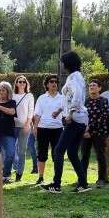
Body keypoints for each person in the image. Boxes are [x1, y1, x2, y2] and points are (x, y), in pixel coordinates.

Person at [42, 51, 91, 193]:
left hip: (75, 120)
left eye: (63, 62)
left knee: (58, 150)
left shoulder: (75, 78)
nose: (61, 64)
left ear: (68, 63)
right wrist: (59, 110)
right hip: (80, 120)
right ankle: (83, 184)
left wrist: (70, 113)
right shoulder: (75, 77)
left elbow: (77, 97)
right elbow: (68, 99)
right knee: (72, 153)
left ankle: (56, 185)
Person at [81, 79, 109, 187]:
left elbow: (103, 117)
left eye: (94, 85)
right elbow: (82, 117)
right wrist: (84, 130)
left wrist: (90, 131)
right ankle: (82, 179)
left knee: (100, 155)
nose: (91, 87)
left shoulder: (103, 101)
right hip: (85, 133)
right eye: (90, 86)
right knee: (84, 156)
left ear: (99, 88)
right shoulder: (86, 101)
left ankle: (101, 180)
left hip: (99, 133)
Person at [33, 74, 64, 185]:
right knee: (42, 154)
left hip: (58, 129)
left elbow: (66, 114)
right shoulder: (42, 98)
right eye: (51, 81)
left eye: (56, 81)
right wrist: (35, 127)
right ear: (47, 84)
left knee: (57, 155)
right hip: (43, 129)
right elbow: (37, 114)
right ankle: (40, 177)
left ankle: (56, 178)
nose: (54, 83)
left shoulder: (62, 98)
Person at [12, 75, 35, 182]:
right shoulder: (12, 96)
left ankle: (19, 173)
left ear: (26, 84)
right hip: (12, 127)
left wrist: (27, 124)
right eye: (19, 82)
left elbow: (31, 111)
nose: (22, 83)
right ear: (16, 83)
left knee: (21, 151)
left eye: (24, 82)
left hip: (24, 126)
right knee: (10, 150)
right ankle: (14, 167)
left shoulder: (29, 96)